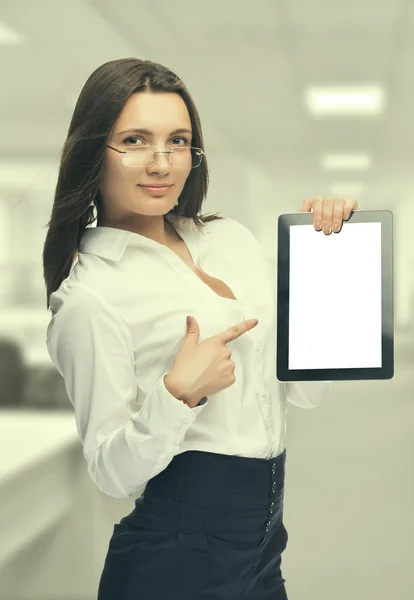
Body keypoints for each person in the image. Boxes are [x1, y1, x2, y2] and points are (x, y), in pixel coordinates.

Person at [42, 58, 353, 600]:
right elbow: (111, 474)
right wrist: (175, 396)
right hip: (174, 563)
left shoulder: (231, 240)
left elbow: (303, 391)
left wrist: (324, 264)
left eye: (178, 140)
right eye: (136, 140)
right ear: (95, 150)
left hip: (262, 547)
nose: (161, 162)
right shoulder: (89, 298)